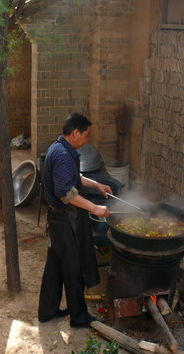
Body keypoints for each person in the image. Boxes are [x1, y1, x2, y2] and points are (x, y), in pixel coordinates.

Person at [38, 113, 111, 329]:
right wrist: (95, 208)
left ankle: (47, 310)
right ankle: (79, 317)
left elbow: (73, 177)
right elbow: (65, 192)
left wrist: (95, 184)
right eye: (86, 135)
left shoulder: (60, 147)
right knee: (72, 268)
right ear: (75, 132)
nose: (86, 140)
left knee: (54, 267)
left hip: (57, 219)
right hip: (62, 220)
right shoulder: (62, 154)